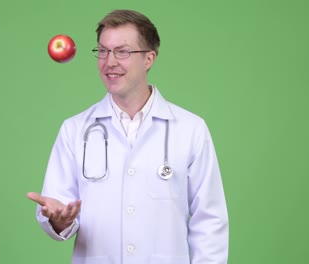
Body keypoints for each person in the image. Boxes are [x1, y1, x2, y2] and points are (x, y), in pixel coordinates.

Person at [27, 9, 229, 264]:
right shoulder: (74, 130)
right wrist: (58, 221)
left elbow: (209, 221)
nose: (109, 62)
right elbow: (58, 210)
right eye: (103, 51)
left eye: (122, 51)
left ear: (149, 58)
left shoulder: (190, 129)